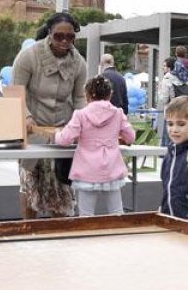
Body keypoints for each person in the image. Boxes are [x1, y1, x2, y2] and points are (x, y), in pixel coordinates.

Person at [11, 12, 87, 218]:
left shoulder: (79, 63)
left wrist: (81, 124)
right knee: (30, 184)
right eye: (59, 36)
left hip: (62, 133)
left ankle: (58, 234)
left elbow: (80, 98)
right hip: (33, 129)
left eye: (70, 37)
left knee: (62, 188)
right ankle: (29, 230)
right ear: (49, 33)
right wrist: (26, 117)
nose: (64, 41)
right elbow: (16, 92)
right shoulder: (28, 56)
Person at [53, 75, 135, 216]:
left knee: (86, 215)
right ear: (110, 95)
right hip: (111, 169)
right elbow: (130, 137)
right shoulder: (118, 113)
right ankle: (119, 237)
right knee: (117, 213)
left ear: (88, 95)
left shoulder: (80, 115)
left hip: (87, 170)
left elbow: (64, 140)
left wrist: (56, 133)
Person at [159, 96, 188, 221]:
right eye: (170, 124)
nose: (174, 130)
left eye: (181, 124)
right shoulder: (169, 155)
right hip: (168, 218)